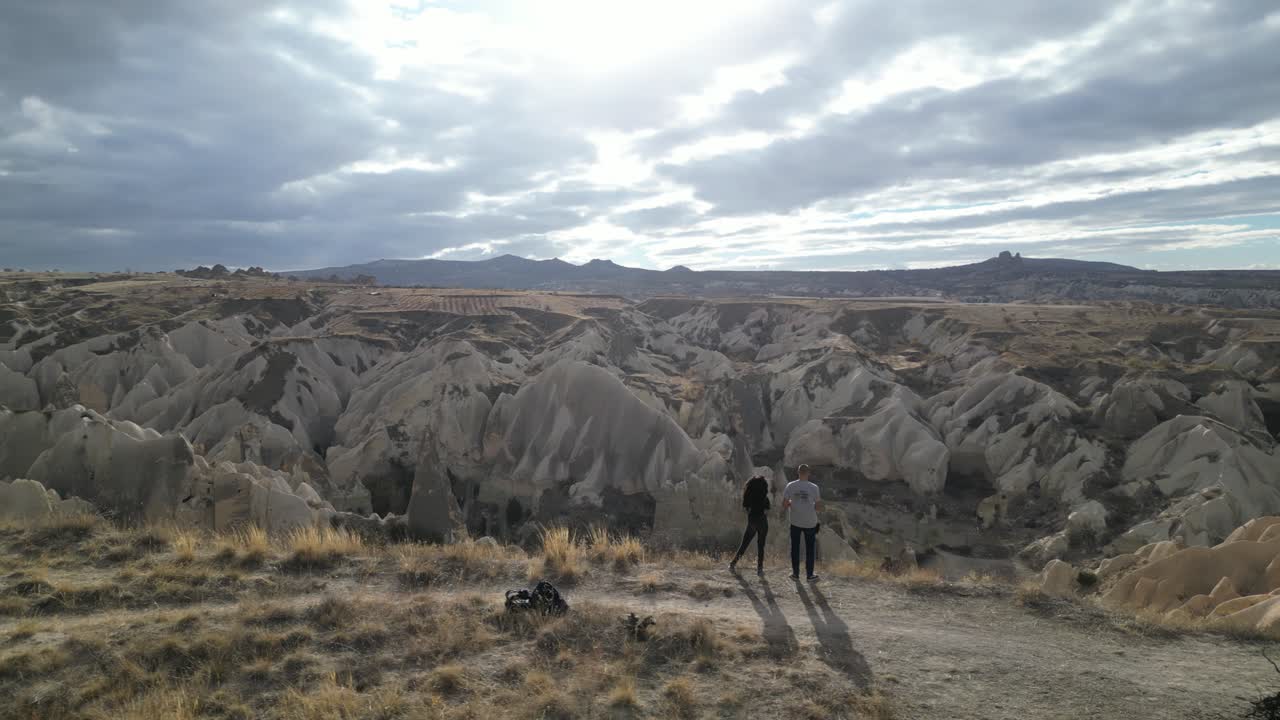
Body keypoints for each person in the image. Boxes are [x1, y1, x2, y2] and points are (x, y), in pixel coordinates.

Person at [782, 464, 821, 581]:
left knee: (795, 548)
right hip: (810, 522)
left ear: (798, 473)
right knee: (810, 549)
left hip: (795, 521)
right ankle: (810, 575)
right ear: (808, 473)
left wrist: (792, 504)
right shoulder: (814, 487)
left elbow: (784, 504)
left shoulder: (790, 486)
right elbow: (818, 507)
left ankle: (795, 574)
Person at [729, 475, 771, 576]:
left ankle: (733, 563)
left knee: (744, 544)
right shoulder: (765, 498)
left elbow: (746, 508)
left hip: (752, 521)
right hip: (763, 522)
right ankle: (759, 569)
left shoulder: (748, 497)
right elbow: (767, 510)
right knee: (761, 546)